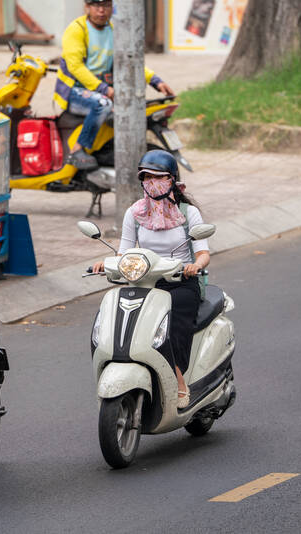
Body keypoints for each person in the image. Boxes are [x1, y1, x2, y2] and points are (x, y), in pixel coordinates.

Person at [92, 150, 210, 408]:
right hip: (143, 281)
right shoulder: (134, 213)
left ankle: (179, 382)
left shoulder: (188, 214)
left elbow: (203, 254)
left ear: (171, 180)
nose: (152, 183)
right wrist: (107, 263)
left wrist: (194, 266)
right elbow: (123, 252)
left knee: (170, 326)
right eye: (146, 177)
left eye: (159, 177)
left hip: (180, 282)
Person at [53, 0, 175, 170]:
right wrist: (103, 89)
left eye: (106, 6)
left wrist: (155, 80)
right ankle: (77, 150)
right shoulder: (77, 29)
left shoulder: (113, 30)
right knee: (102, 104)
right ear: (87, 7)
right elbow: (75, 67)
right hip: (75, 91)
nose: (101, 11)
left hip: (103, 89)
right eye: (96, 6)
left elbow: (129, 59)